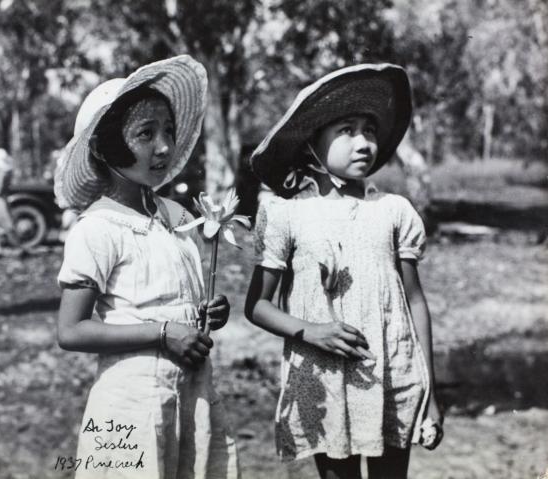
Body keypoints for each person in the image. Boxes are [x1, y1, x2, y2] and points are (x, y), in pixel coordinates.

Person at [244, 64, 443, 479]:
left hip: (393, 375)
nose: (363, 142)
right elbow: (258, 306)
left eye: (369, 130)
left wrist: (430, 391)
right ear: (312, 144)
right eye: (346, 130)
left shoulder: (393, 211)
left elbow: (415, 302)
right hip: (325, 381)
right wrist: (311, 330)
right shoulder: (286, 215)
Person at [55, 55, 240, 479]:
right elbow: (71, 330)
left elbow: (180, 298)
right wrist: (161, 334)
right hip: (130, 403)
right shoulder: (98, 228)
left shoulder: (176, 216)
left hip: (193, 391)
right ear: (105, 147)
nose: (163, 146)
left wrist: (208, 311)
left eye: (169, 132)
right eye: (145, 133)